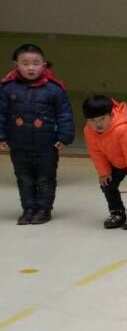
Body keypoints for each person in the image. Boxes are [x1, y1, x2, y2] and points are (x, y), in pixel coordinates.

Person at [0, 43, 74, 225]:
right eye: (25, 63)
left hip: (46, 145)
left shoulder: (55, 89)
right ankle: (28, 209)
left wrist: (65, 137)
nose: (31, 68)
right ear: (16, 65)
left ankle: (44, 210)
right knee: (24, 179)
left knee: (45, 178)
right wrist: (1, 136)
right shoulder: (7, 88)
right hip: (19, 144)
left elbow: (64, 114)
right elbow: (1, 114)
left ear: (44, 65)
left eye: (35, 63)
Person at [82, 95, 127, 230]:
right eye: (92, 120)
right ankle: (117, 212)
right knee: (107, 184)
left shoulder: (124, 129)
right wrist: (104, 173)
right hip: (115, 161)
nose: (98, 124)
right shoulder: (89, 131)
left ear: (111, 115)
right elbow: (96, 153)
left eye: (102, 118)